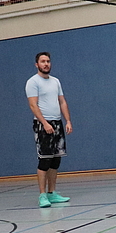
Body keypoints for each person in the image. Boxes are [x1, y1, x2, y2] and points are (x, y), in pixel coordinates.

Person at [25, 52, 73, 208]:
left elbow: (62, 102)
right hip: (43, 125)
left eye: (48, 61)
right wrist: (44, 123)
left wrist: (67, 121)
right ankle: (42, 195)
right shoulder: (33, 82)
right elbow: (33, 105)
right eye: (43, 61)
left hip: (57, 123)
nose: (46, 64)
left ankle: (52, 193)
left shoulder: (55, 81)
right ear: (37, 64)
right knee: (45, 160)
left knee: (55, 159)